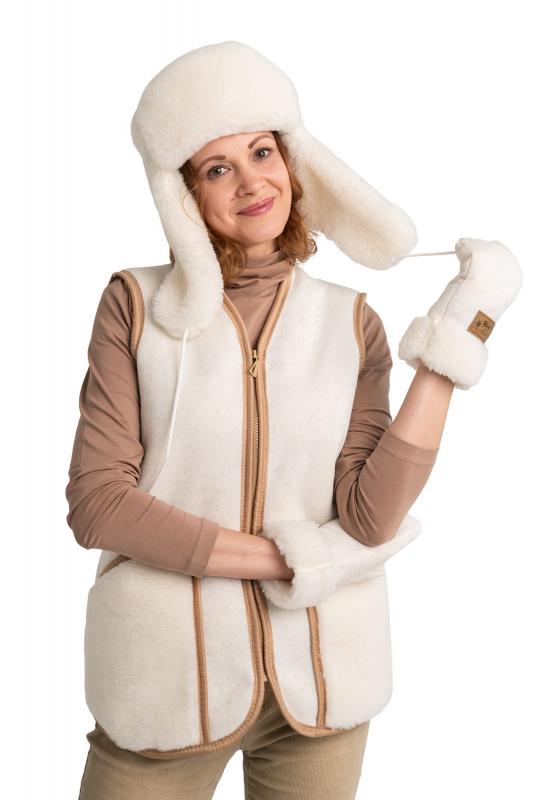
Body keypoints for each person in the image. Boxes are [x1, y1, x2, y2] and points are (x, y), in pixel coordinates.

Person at [66, 41, 522, 799]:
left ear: (292, 160)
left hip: (321, 687)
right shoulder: (135, 307)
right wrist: (290, 561)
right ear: (184, 194)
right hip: (166, 681)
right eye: (218, 168)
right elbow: (98, 503)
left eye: (262, 151)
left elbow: (369, 518)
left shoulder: (350, 321)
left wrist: (456, 338)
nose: (252, 181)